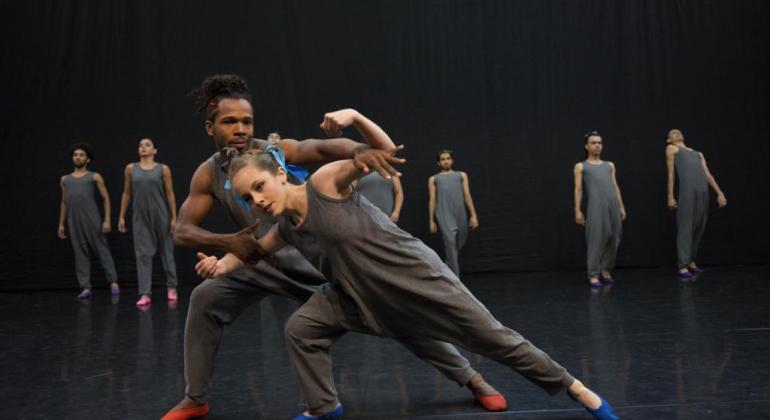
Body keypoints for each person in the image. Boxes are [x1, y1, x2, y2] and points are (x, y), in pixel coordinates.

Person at [198, 109, 618, 420]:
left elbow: (381, 150)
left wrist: (356, 117)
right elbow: (255, 249)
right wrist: (222, 266)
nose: (257, 200)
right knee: (301, 329)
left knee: (495, 339)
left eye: (259, 187)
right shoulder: (287, 226)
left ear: (279, 175)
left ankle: (579, 391)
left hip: (413, 277)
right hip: (357, 296)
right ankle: (324, 407)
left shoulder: (325, 183)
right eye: (247, 198)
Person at [162, 76, 502, 420]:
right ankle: (196, 398)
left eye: (246, 121)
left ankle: (472, 379)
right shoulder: (206, 174)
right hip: (258, 259)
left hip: (312, 263)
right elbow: (182, 231)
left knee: (397, 315)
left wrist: (359, 150)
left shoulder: (275, 152)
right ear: (210, 127)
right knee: (205, 297)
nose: (240, 128)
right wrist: (226, 243)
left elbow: (323, 149)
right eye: (229, 121)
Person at [118, 138, 179, 306]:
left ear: (155, 150)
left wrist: (174, 217)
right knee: (143, 254)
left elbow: (169, 193)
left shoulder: (163, 169)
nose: (143, 147)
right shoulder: (131, 169)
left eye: (147, 145)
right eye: (141, 145)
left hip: (160, 214)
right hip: (140, 216)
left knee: (166, 250)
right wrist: (121, 216)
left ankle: (172, 287)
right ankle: (145, 293)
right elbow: (126, 193)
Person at [58, 142, 121, 299]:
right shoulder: (65, 180)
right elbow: (64, 202)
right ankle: (85, 286)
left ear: (87, 160)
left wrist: (106, 220)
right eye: (75, 155)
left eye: (81, 155)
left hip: (91, 218)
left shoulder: (94, 177)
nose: (77, 157)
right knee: (80, 252)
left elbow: (105, 198)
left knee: (101, 249)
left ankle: (113, 282)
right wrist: (61, 223)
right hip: (73, 220)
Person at [665, 129, 727, 277]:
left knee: (699, 225)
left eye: (679, 132)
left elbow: (708, 174)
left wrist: (719, 192)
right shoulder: (672, 149)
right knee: (686, 226)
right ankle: (682, 265)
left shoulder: (698, 153)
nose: (677, 133)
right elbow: (671, 173)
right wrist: (670, 196)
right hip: (688, 191)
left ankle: (691, 261)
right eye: (673, 133)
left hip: (703, 191)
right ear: (669, 140)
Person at [573, 131, 627, 287]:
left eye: (599, 143)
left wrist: (621, 206)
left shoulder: (609, 165)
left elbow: (615, 186)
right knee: (596, 239)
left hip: (613, 204)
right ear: (587, 146)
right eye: (593, 143)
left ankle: (605, 269)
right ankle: (593, 274)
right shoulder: (581, 166)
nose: (597, 145)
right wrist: (577, 210)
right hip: (596, 205)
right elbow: (578, 189)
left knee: (615, 237)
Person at [428, 149, 478, 276]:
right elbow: (432, 199)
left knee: (460, 239)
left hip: (460, 212)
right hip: (443, 213)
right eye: (442, 159)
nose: (445, 161)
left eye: (448, 158)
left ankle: (446, 266)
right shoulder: (434, 179)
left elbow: (467, 195)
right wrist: (431, 220)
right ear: (438, 163)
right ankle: (456, 278)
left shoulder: (461, 175)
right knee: (450, 243)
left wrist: (473, 215)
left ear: (452, 160)